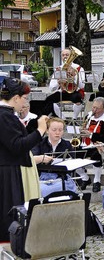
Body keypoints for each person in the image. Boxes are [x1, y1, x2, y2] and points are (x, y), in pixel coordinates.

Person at [0, 78, 48, 242]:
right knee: (10, 211)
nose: (26, 102)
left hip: (9, 168)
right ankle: (10, 246)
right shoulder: (5, 116)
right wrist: (40, 131)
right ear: (15, 98)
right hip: (8, 171)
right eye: (25, 98)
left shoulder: (6, 115)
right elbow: (17, 145)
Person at [76, 96, 104, 192]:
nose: (94, 110)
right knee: (72, 154)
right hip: (86, 144)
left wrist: (91, 135)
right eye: (93, 107)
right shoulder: (88, 116)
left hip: (101, 145)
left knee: (96, 155)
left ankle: (96, 181)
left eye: (97, 108)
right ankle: (85, 178)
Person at [32, 117, 77, 197]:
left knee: (65, 187)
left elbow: (72, 163)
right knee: (42, 189)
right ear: (47, 130)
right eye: (54, 130)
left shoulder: (67, 144)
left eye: (60, 130)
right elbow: (32, 159)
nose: (57, 133)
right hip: (42, 177)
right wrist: (41, 158)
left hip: (61, 177)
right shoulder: (39, 143)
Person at [41, 47, 85, 119]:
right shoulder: (58, 69)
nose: (65, 57)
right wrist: (58, 82)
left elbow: (82, 85)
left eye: (67, 55)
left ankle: (74, 118)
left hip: (75, 91)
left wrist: (74, 77)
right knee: (49, 100)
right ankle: (62, 118)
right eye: (63, 55)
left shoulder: (78, 68)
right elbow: (51, 88)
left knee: (77, 98)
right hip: (63, 91)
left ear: (71, 56)